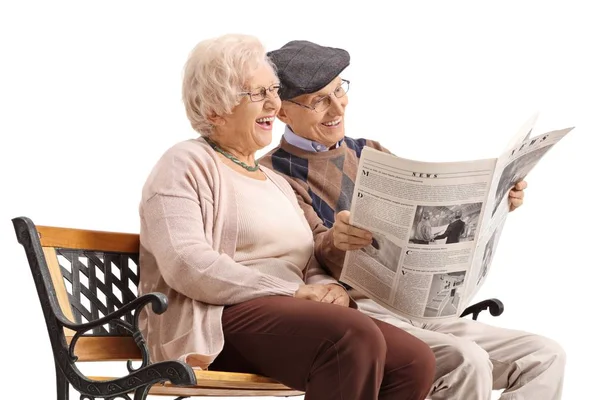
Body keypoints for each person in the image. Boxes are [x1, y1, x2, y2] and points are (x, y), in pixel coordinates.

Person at [260, 39, 565, 400]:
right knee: (468, 361)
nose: (336, 106)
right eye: (318, 100)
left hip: (418, 304)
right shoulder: (273, 174)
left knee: (545, 356)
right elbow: (307, 256)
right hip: (361, 311)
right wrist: (335, 241)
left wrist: (499, 203)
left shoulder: (368, 151)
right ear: (282, 112)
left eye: (339, 90)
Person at [137, 34, 435, 400]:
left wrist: (330, 289)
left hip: (289, 315)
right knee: (350, 337)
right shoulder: (185, 164)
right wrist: (292, 291)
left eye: (274, 91)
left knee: (413, 360)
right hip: (219, 318)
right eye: (257, 94)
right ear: (214, 109)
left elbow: (306, 258)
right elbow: (187, 263)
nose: (273, 104)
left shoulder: (275, 180)